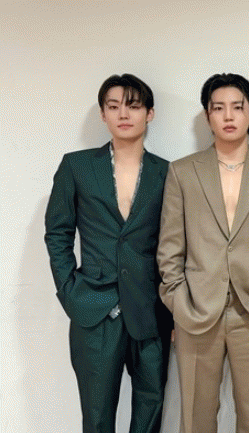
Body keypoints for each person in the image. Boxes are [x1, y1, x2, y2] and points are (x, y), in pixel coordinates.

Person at [157, 73, 249, 433]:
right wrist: (179, 302)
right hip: (196, 311)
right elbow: (170, 247)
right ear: (208, 116)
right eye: (218, 108)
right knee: (196, 418)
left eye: (238, 107)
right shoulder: (183, 172)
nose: (229, 115)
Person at [44, 73, 172, 433]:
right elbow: (58, 233)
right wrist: (70, 291)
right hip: (95, 310)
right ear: (103, 114)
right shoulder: (77, 166)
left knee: (150, 412)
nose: (123, 114)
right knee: (97, 417)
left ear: (149, 113)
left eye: (133, 106)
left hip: (152, 311)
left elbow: (177, 242)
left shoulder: (169, 172)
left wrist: (176, 308)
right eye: (113, 106)